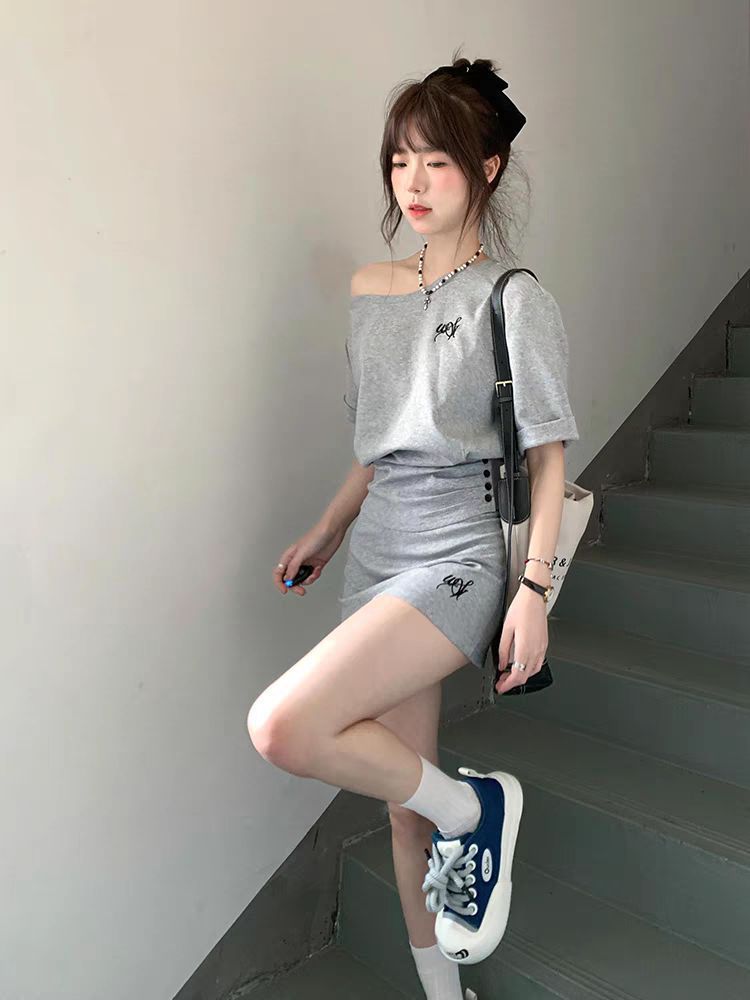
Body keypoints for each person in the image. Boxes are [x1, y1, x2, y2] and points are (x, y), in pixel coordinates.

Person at [248, 49, 579, 1000]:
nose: (415, 182)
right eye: (401, 161)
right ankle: (444, 991)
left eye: (438, 161)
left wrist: (533, 591)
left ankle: (475, 809)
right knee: (404, 805)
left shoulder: (515, 297)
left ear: (488, 169)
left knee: (282, 726)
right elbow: (378, 442)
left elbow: (547, 457)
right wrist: (327, 530)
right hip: (379, 548)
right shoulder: (370, 288)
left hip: (460, 554)